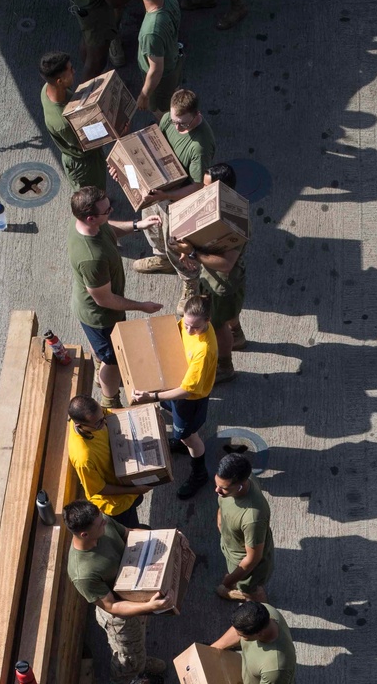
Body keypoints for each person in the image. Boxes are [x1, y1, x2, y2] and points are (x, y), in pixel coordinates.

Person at [68, 185, 163, 404]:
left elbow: (108, 227)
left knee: (104, 351)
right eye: (107, 210)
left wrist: (138, 225)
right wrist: (142, 306)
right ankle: (109, 399)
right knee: (113, 360)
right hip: (101, 316)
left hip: (91, 309)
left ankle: (101, 360)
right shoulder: (92, 258)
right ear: (91, 218)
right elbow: (105, 299)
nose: (111, 211)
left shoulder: (84, 224)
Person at [66, 498, 168, 679]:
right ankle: (128, 681)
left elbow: (128, 533)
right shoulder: (83, 573)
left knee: (138, 643)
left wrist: (167, 539)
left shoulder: (102, 521)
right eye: (99, 524)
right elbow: (111, 606)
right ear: (84, 534)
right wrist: (150, 607)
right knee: (127, 656)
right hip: (120, 619)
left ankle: (141, 660)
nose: (105, 521)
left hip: (135, 594)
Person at [124, 89, 218, 275]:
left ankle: (188, 281)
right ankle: (162, 259)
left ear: (197, 114)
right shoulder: (169, 118)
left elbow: (198, 187)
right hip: (159, 189)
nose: (176, 128)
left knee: (177, 245)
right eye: (174, 121)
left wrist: (167, 195)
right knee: (152, 229)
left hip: (178, 200)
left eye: (182, 123)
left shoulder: (199, 147)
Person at [132, 294, 217, 499]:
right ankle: (180, 441)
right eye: (186, 323)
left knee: (191, 438)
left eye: (195, 327)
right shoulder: (188, 324)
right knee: (182, 433)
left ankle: (200, 473)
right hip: (175, 386)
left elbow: (187, 390)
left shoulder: (203, 350)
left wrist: (152, 396)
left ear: (208, 321)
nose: (188, 330)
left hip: (189, 401)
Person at [175, 161, 247, 375]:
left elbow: (226, 264)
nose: (203, 191)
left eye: (208, 188)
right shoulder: (216, 207)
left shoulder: (234, 221)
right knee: (227, 315)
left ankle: (225, 367)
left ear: (223, 190)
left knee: (218, 324)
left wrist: (194, 254)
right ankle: (238, 334)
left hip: (223, 284)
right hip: (212, 277)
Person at [67, 394, 147, 526]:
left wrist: (138, 413)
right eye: (98, 423)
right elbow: (100, 489)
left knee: (136, 502)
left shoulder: (93, 416)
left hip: (127, 484)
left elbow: (107, 413)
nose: (104, 423)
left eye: (102, 418)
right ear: (79, 425)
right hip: (116, 504)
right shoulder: (83, 458)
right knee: (132, 529)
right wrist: (135, 490)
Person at [39, 52, 107, 194]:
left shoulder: (48, 89)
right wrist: (115, 128)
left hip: (88, 157)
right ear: (59, 81)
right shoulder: (62, 121)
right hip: (84, 165)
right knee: (92, 199)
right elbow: (86, 143)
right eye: (70, 70)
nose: (74, 71)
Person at [214, 450, 273, 602]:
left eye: (224, 488)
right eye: (217, 484)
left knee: (250, 590)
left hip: (244, 565)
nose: (217, 490)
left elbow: (252, 559)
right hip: (231, 548)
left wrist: (228, 582)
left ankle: (260, 608)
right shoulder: (233, 486)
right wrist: (220, 521)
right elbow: (223, 506)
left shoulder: (253, 518)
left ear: (241, 484)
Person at [134, 0, 184, 115]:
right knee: (173, 97)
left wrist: (144, 95)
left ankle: (170, 136)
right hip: (175, 60)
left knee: (161, 113)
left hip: (163, 79)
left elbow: (156, 70)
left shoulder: (151, 32)